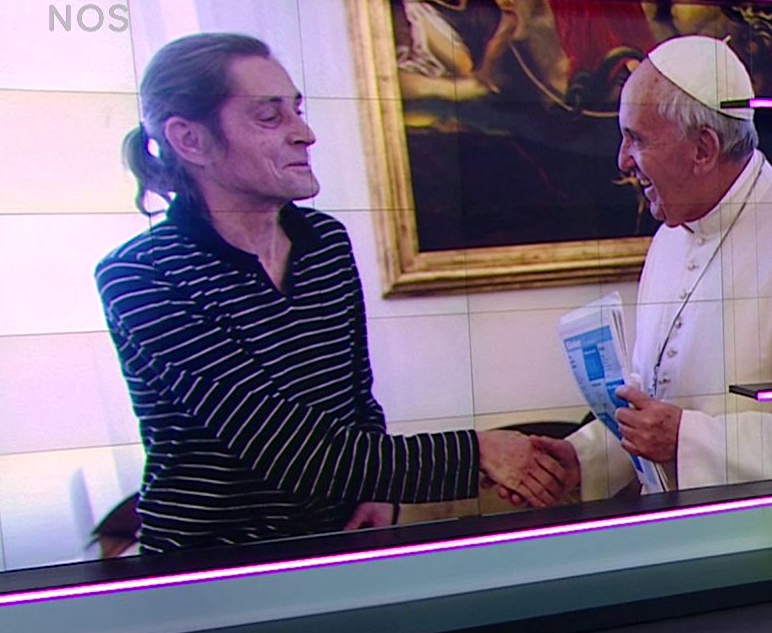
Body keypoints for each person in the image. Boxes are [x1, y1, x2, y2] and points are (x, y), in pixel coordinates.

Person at [98, 32, 574, 554]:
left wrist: (377, 490)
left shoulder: (324, 242)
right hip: (214, 568)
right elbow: (282, 444)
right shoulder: (141, 275)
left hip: (335, 544)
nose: (304, 134)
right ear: (190, 140)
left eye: (297, 110)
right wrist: (478, 452)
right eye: (270, 116)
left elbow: (356, 399)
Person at [561, 35, 772, 498]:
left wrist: (687, 440)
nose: (622, 160)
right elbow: (656, 397)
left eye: (637, 139)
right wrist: (582, 457)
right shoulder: (672, 233)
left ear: (703, 149)